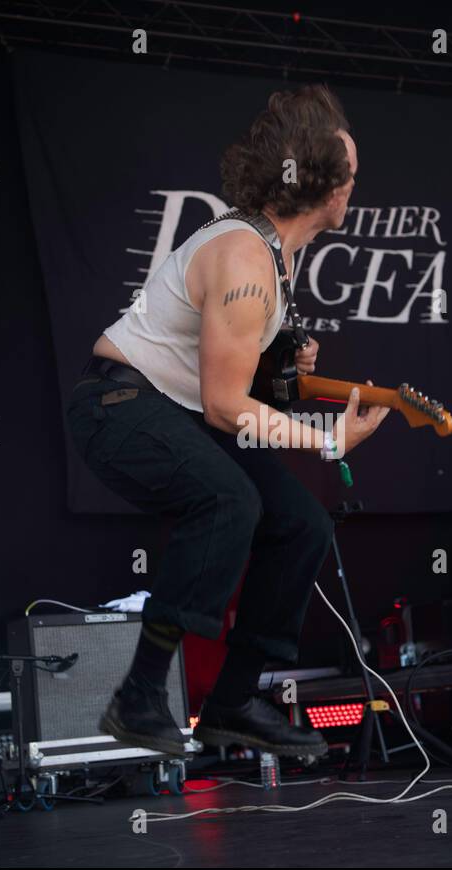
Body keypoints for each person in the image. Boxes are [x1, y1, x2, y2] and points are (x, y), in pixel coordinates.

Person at [66, 85, 390, 758]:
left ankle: (233, 702)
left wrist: (281, 366)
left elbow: (237, 388)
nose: (356, 188)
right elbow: (225, 407)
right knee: (229, 497)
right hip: (119, 409)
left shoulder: (277, 254)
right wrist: (327, 439)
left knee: (302, 522)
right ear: (328, 188)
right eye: (353, 175)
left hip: (171, 409)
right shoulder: (247, 258)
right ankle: (140, 696)